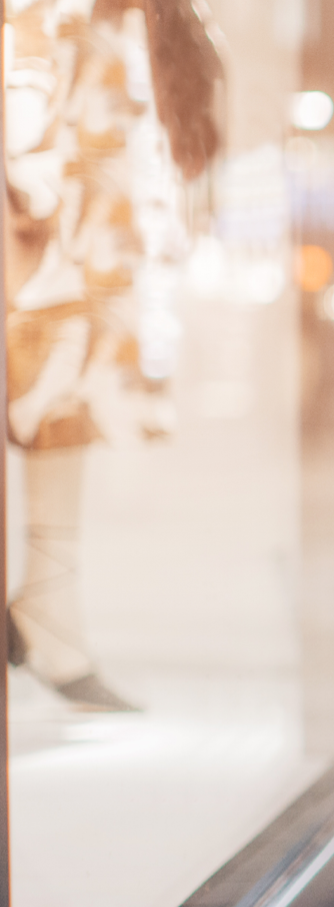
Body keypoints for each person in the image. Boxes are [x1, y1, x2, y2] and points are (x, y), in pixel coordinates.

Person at [5, 0, 223, 713]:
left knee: (62, 397)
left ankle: (48, 610)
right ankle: (47, 616)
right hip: (46, 148)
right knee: (52, 380)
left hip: (71, 141)